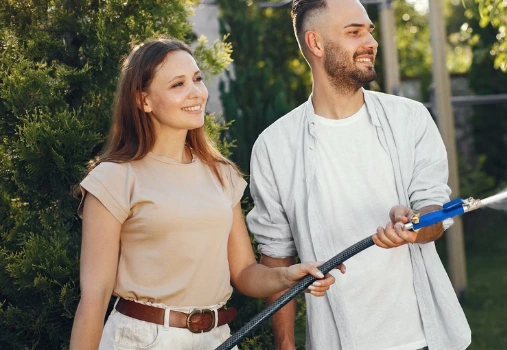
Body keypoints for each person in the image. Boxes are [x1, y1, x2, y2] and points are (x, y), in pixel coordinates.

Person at [68, 38, 343, 350]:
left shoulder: (221, 173)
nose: (196, 92)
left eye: (197, 79)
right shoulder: (115, 178)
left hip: (217, 338)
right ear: (142, 100)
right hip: (143, 340)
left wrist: (288, 276)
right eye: (178, 84)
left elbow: (243, 273)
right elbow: (94, 297)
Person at [246, 0, 472, 349]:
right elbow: (276, 256)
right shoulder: (274, 147)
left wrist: (415, 224)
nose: (371, 41)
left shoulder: (410, 119)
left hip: (422, 339)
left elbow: (433, 213)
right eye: (354, 32)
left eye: (369, 29)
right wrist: (285, 345)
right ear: (316, 43)